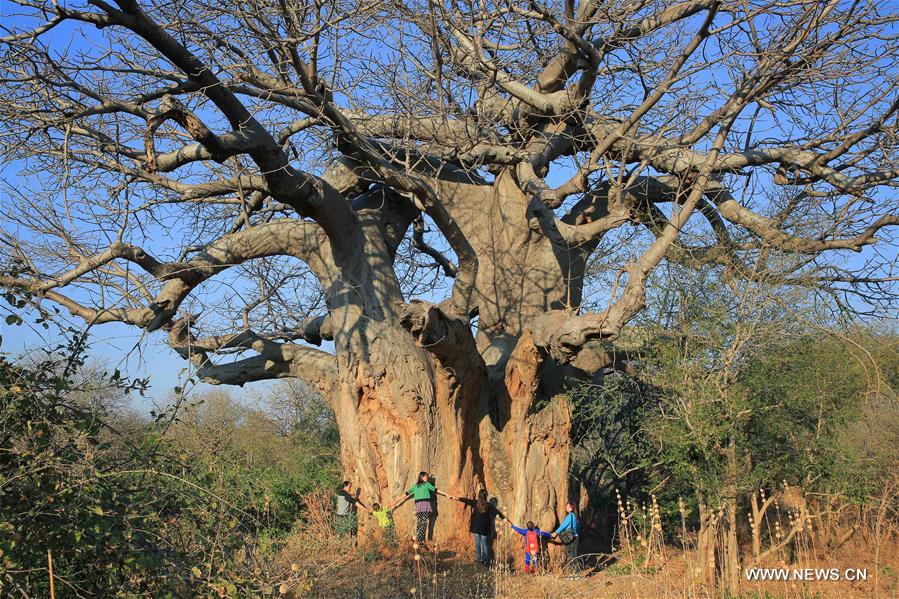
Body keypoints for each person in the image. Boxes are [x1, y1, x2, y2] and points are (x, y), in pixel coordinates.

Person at [453, 489, 505, 566]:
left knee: (478, 543)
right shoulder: (489, 506)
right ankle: (487, 562)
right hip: (484, 528)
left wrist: (456, 498)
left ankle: (478, 559)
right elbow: (498, 512)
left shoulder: (475, 503)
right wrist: (506, 519)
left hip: (476, 527)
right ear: (485, 496)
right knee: (485, 544)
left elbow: (466, 500)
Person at [398, 471, 452, 547]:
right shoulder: (425, 485)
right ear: (422, 477)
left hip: (419, 506)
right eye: (426, 477)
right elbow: (407, 493)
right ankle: (421, 541)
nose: (427, 478)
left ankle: (417, 537)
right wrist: (398, 499)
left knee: (421, 522)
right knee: (423, 522)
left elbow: (436, 490)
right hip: (424, 505)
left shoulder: (417, 486)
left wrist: (446, 494)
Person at [551, 501, 580, 569]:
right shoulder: (575, 516)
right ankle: (577, 572)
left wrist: (556, 532)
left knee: (570, 554)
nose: (566, 507)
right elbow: (578, 527)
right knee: (574, 555)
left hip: (569, 537)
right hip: (575, 537)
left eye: (568, 506)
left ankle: (572, 573)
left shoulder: (569, 516)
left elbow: (563, 526)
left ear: (572, 508)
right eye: (566, 506)